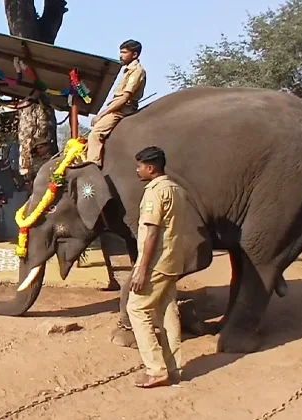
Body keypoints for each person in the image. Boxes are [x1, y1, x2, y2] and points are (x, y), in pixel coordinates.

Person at [127, 146, 192, 388]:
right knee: (167, 312)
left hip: (156, 263)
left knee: (136, 309)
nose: (137, 170)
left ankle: (155, 369)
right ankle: (173, 368)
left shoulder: (155, 193)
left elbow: (152, 233)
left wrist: (142, 270)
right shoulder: (177, 190)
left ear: (151, 168)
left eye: (140, 166)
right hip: (173, 260)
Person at [86, 39, 147, 167]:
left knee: (95, 134)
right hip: (117, 108)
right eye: (120, 52)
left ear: (134, 55)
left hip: (122, 109)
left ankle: (92, 166)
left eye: (124, 52)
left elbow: (124, 98)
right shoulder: (127, 70)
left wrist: (101, 114)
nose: (120, 55)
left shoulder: (137, 71)